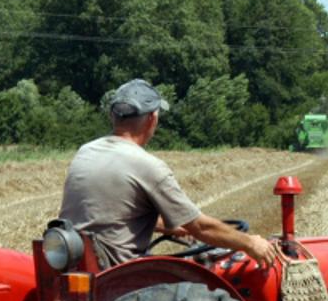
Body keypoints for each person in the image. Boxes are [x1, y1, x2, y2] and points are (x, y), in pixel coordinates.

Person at [58, 78, 276, 269]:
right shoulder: (148, 166)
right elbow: (200, 228)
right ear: (153, 119)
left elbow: (111, 217)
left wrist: (171, 227)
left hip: (79, 263)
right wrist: (250, 243)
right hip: (122, 273)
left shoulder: (86, 151)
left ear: (112, 116)